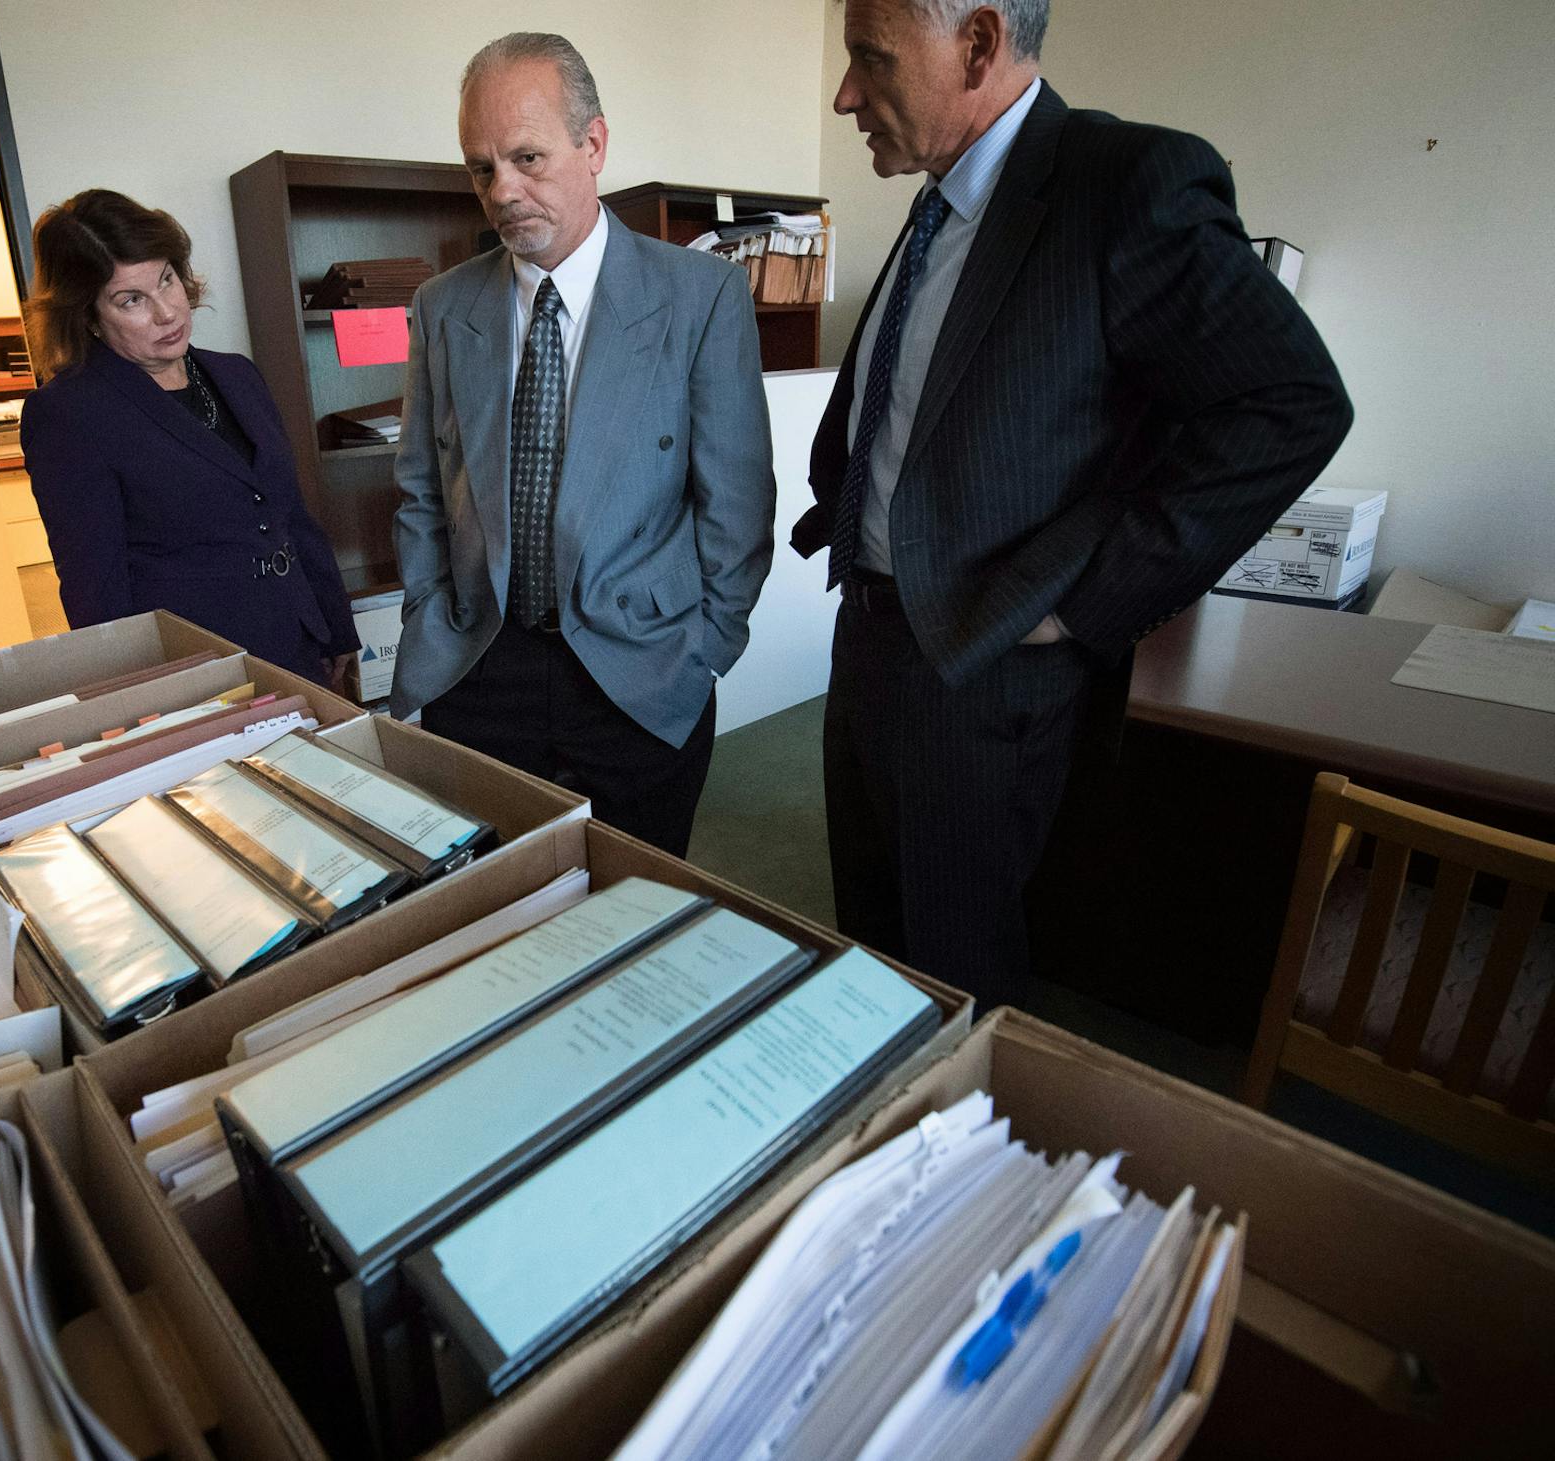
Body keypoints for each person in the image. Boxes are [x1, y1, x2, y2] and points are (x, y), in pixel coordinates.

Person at [792, 0, 1352, 1007]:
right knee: (872, 960)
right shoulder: (938, 204)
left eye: (871, 61)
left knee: (958, 991)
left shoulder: (1121, 185)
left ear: (977, 45)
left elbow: (1290, 404)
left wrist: (1085, 606)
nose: (846, 95)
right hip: (871, 638)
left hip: (984, 670)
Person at [392, 32, 777, 857]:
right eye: (481, 167)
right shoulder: (440, 306)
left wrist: (704, 650)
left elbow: (736, 502)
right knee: (494, 905)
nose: (502, 192)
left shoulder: (700, 296)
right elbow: (423, 488)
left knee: (641, 903)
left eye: (527, 158)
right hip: (480, 667)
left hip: (643, 669)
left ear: (594, 143)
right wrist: (431, 618)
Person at [20, 189, 359, 689]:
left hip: (299, 638)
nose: (167, 312)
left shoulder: (237, 374)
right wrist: (144, 700)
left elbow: (290, 514)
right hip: (197, 673)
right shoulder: (69, 413)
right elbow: (96, 586)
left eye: (166, 280)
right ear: (88, 316)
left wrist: (337, 626)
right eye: (131, 300)